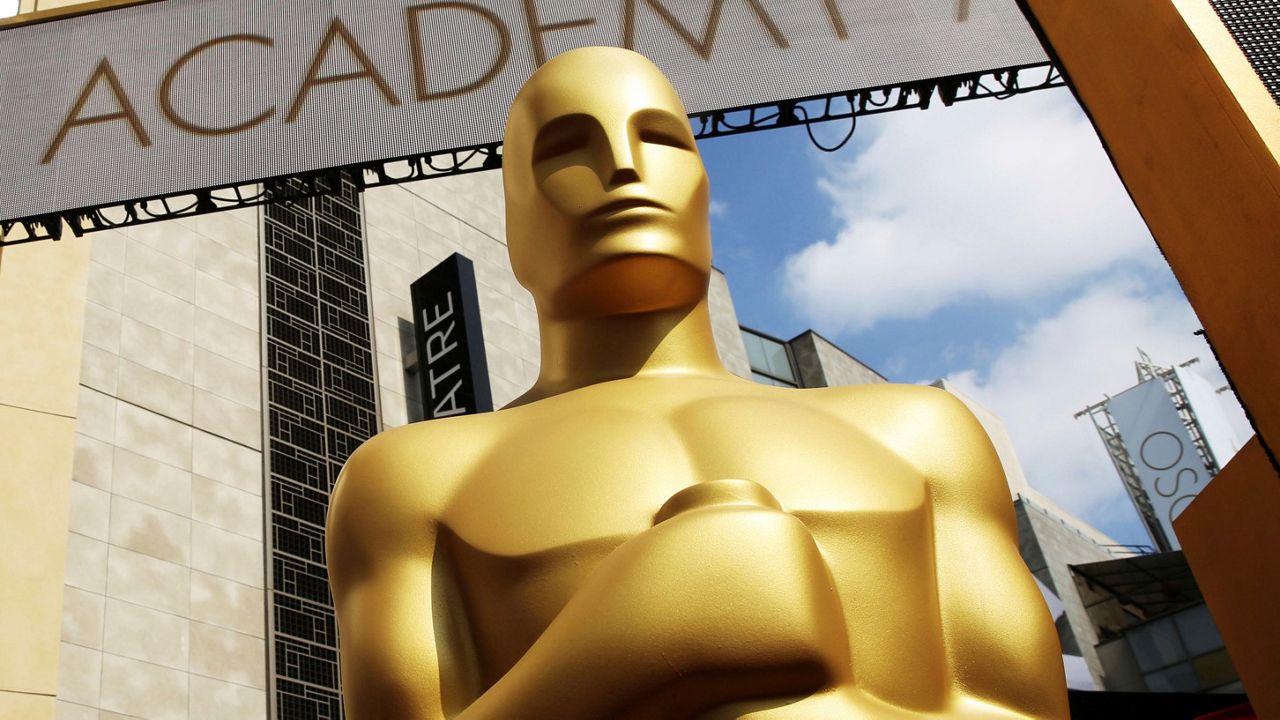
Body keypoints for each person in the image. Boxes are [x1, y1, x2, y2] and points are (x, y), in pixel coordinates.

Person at [326, 46, 1068, 719]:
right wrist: (623, 647)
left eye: (660, 138)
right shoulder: (412, 479)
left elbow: (1021, 707)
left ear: (706, 190)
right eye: (565, 150)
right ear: (514, 227)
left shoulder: (919, 433)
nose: (624, 166)